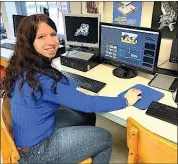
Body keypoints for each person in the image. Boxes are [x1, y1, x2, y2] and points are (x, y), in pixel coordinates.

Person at [2, 14, 142, 164]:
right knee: (106, 137)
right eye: (41, 37)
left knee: (86, 116)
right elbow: (90, 104)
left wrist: (77, 88)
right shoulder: (42, 78)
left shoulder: (25, 65)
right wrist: (126, 100)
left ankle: (83, 147)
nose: (51, 41)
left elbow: (62, 81)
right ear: (29, 42)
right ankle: (89, 146)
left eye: (53, 34)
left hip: (30, 135)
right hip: (37, 153)